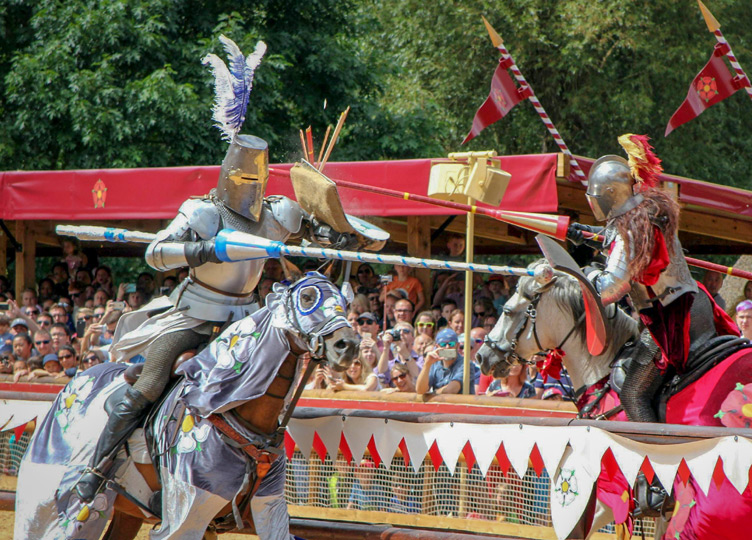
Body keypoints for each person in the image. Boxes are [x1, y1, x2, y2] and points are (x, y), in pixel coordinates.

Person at [76, 133, 376, 500]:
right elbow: (156, 253)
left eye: (258, 176)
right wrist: (203, 250)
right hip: (194, 316)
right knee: (150, 385)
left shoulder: (278, 212)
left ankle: (245, 477)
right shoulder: (202, 212)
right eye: (244, 175)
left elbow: (319, 236)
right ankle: (100, 467)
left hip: (248, 322)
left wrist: (341, 237)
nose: (251, 184)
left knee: (272, 388)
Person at [416, 328, 476, 395]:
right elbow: (420, 391)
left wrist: (431, 394)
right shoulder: (434, 364)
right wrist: (427, 365)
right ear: (437, 346)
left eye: (451, 344)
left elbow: (451, 390)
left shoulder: (466, 364)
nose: (447, 347)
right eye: (443, 345)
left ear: (457, 345)